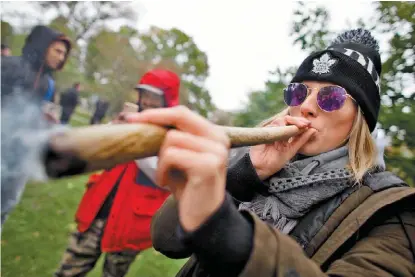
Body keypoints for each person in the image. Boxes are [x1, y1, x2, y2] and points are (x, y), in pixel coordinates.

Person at [127, 29, 415, 277]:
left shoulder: (391, 211)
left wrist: (227, 231)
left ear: (359, 119)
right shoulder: (252, 159)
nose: (306, 107)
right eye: (299, 93)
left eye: (331, 97)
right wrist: (243, 175)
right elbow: (166, 239)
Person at [54, 69, 181, 277]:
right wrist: (114, 128)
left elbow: (166, 178)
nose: (147, 101)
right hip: (98, 210)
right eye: (144, 94)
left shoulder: (175, 133)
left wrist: (133, 137)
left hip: (131, 223)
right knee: (67, 272)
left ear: (167, 99)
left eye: (154, 96)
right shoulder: (128, 119)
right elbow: (96, 150)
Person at [1, 25, 71, 227]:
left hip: (21, 153)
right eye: (57, 51)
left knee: (7, 204)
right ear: (43, 47)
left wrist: (44, 118)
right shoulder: (8, 67)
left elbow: (33, 112)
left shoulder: (47, 83)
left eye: (64, 54)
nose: (61, 57)